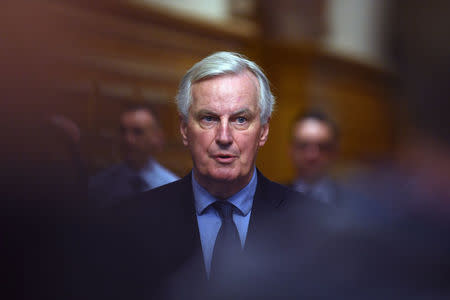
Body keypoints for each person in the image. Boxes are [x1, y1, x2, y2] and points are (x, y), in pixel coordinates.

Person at [82, 51, 322, 300]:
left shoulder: (311, 222)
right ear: (185, 130)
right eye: (209, 118)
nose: (224, 137)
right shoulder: (128, 222)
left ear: (263, 131)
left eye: (241, 119)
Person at [88, 106, 179, 208]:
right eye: (123, 131)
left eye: (137, 132)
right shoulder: (100, 186)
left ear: (157, 138)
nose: (128, 140)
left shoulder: (172, 188)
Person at [289, 110, 341, 205]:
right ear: (291, 149)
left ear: (334, 152)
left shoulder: (356, 209)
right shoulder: (270, 202)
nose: (312, 155)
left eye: (322, 147)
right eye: (303, 145)